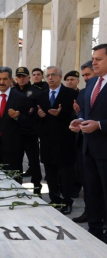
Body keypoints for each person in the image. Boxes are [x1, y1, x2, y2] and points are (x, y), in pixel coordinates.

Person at [69, 43, 107, 242]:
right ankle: (94, 231)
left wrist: (99, 125)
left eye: (99, 59)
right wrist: (80, 121)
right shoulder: (92, 83)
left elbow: (99, 119)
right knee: (91, 193)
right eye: (93, 59)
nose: (94, 63)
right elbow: (88, 112)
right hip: (88, 149)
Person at [37, 66, 78, 215]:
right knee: (50, 172)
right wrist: (40, 115)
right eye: (48, 75)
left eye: (53, 75)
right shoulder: (41, 95)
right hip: (47, 140)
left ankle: (67, 201)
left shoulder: (71, 94)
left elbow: (75, 115)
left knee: (66, 174)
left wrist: (61, 114)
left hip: (65, 139)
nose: (50, 78)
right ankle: (54, 199)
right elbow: (36, 117)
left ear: (60, 77)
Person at [0, 67, 29, 181]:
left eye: (5, 79)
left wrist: (17, 117)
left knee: (13, 179)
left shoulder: (20, 98)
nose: (2, 82)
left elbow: (28, 121)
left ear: (11, 79)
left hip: (13, 146)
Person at [71, 60, 95, 224]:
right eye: (84, 75)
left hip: (100, 143)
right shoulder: (84, 93)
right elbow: (84, 114)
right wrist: (79, 119)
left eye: (88, 74)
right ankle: (90, 212)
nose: (85, 78)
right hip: (85, 143)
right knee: (89, 183)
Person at [13, 67, 42, 195]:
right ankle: (18, 187)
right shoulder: (12, 91)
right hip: (16, 133)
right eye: (19, 77)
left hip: (30, 132)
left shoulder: (36, 91)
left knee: (34, 163)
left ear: (29, 78)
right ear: (15, 78)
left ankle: (37, 189)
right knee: (16, 162)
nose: (21, 79)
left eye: (24, 76)